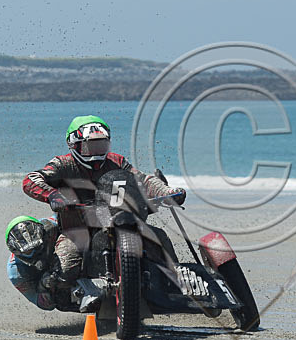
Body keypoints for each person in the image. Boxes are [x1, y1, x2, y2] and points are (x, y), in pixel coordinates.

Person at [22, 115, 185, 287]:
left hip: (119, 221)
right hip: (77, 230)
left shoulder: (117, 161)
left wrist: (168, 192)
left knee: (159, 236)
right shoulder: (62, 164)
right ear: (74, 144)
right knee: (66, 266)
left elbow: (143, 180)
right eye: (89, 146)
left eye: (100, 145)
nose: (96, 152)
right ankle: (59, 290)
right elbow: (31, 179)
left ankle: (178, 281)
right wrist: (52, 195)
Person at [5, 215, 78, 312]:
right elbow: (42, 303)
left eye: (37, 247)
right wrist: (43, 285)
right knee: (61, 301)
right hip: (56, 283)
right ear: (17, 252)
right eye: (28, 252)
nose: (34, 253)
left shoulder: (50, 225)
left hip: (76, 247)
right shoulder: (16, 273)